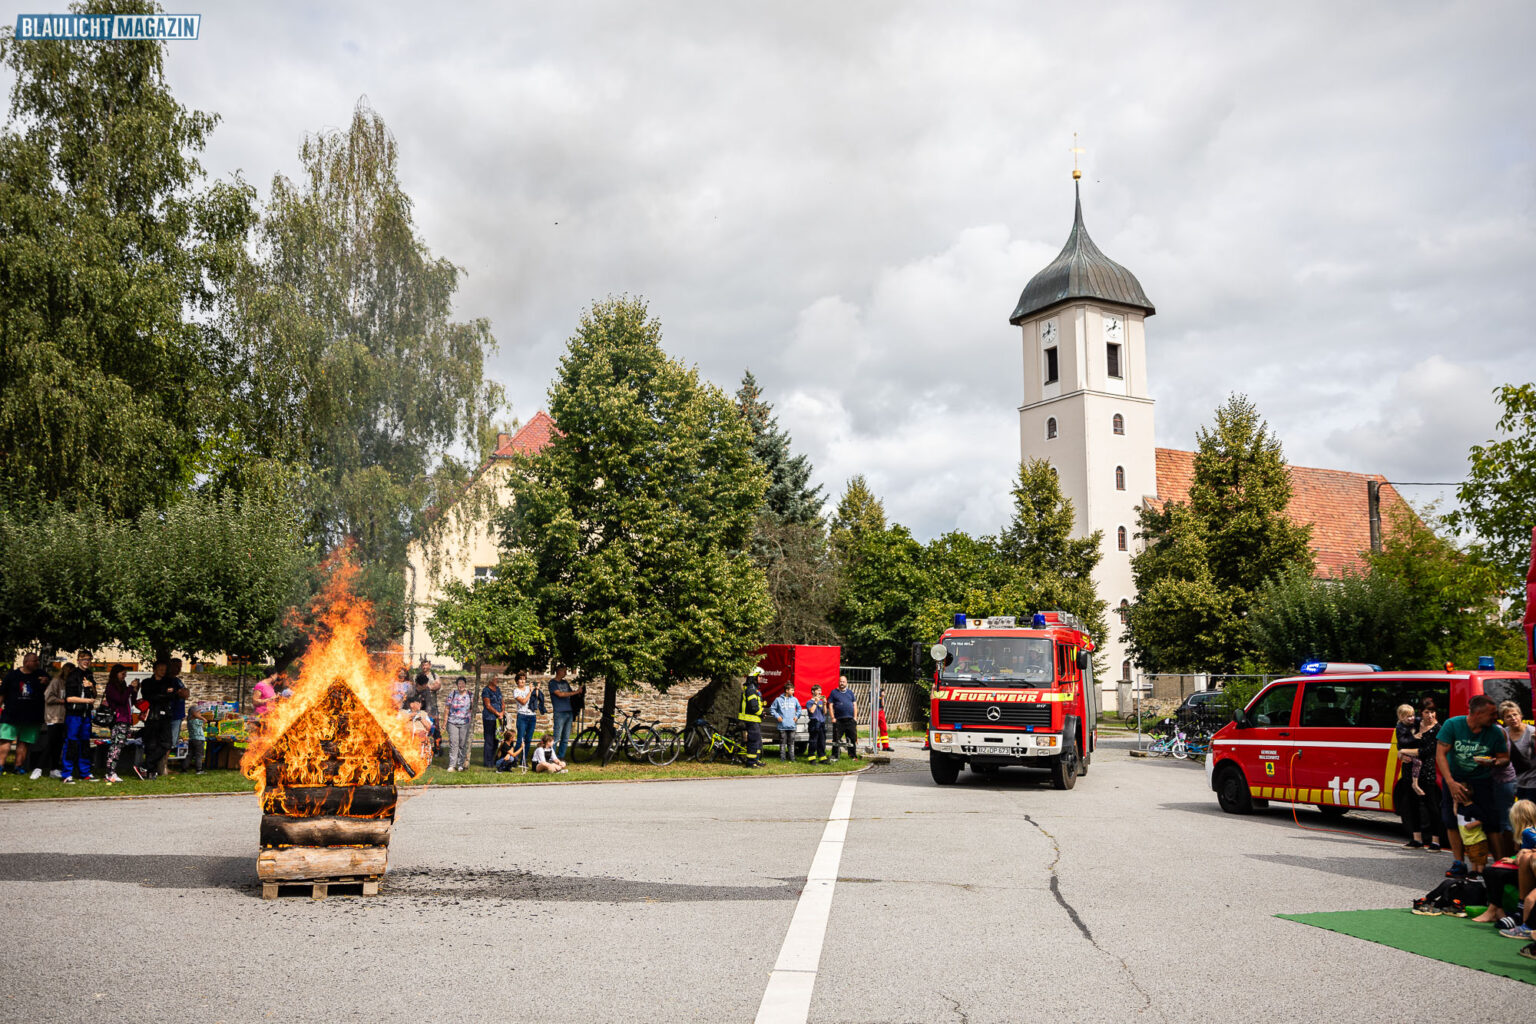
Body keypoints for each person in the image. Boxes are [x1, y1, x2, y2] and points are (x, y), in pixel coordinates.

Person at [1435, 694, 1511, 876]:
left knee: (1491, 822)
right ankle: (1458, 862)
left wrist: (1494, 762)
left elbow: (1505, 758)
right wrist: (1450, 782)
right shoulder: (1453, 725)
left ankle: (1500, 866)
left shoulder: (1494, 731)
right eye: (1492, 714)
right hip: (1455, 779)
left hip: (1482, 780)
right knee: (1452, 821)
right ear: (1477, 713)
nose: (1496, 718)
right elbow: (1440, 754)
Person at [0, 652, 45, 777]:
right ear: (26, 662)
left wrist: (46, 682)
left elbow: (49, 689)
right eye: (35, 661)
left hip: (32, 716)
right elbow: (2, 693)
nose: (37, 663)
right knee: (5, 741)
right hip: (11, 715)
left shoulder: (41, 675)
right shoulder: (12, 676)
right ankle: (0, 765)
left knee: (24, 742)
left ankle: (18, 767)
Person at [1395, 704, 1432, 848]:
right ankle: (1417, 838)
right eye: (1407, 717)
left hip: (1420, 757)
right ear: (1400, 717)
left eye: (1412, 715)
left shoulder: (1418, 721)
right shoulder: (1400, 727)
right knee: (1411, 800)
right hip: (1410, 755)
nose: (1411, 718)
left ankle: (1428, 837)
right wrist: (1413, 736)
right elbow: (1402, 742)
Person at [136, 660, 177, 780]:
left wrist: (163, 694)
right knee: (151, 744)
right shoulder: (147, 682)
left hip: (165, 716)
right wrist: (164, 692)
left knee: (167, 743)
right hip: (152, 716)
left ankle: (145, 766)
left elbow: (173, 696)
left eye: (164, 669)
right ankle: (150, 771)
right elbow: (149, 696)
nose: (163, 671)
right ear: (154, 669)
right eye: (160, 669)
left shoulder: (169, 681)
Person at [60, 658, 97, 783]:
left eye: (89, 659)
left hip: (86, 715)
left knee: (85, 743)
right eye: (84, 659)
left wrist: (92, 686)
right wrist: (86, 701)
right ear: (78, 660)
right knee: (71, 742)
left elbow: (95, 695)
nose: (86, 662)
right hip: (74, 715)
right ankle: (66, 774)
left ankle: (85, 772)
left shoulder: (89, 674)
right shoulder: (72, 675)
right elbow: (69, 699)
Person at [102, 665, 135, 783]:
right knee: (115, 746)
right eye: (122, 674)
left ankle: (112, 771)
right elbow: (121, 699)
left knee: (119, 746)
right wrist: (130, 688)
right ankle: (109, 773)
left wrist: (133, 690)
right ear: (116, 674)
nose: (124, 676)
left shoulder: (123, 686)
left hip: (125, 719)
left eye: (125, 674)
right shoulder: (111, 687)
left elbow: (129, 701)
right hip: (118, 719)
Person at [549, 665, 582, 760]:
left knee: (566, 737)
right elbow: (560, 694)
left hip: (569, 712)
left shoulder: (565, 683)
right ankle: (552, 757)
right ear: (558, 671)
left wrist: (578, 692)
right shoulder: (552, 683)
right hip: (560, 712)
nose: (566, 673)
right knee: (556, 737)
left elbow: (571, 694)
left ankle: (561, 756)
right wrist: (576, 692)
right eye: (564, 671)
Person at [40, 664, 67, 779]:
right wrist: (62, 700)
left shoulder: (66, 683)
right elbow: (48, 697)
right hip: (53, 716)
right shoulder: (56, 682)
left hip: (62, 717)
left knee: (58, 744)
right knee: (51, 743)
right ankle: (39, 767)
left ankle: (54, 769)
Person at [413, 660, 442, 756]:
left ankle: (437, 748)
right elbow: (415, 688)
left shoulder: (434, 675)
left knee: (435, 728)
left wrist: (426, 687)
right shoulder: (417, 676)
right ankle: (422, 749)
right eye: (423, 665)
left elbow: (437, 685)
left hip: (432, 706)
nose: (424, 666)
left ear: (430, 665)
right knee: (422, 728)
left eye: (426, 664)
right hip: (421, 707)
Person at [444, 677, 473, 772]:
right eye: (459, 683)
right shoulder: (452, 694)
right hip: (452, 722)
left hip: (465, 723)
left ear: (465, 684)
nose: (461, 685)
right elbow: (447, 709)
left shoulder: (470, 695)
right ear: (457, 685)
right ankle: (452, 765)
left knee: (462, 744)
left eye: (463, 683)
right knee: (454, 744)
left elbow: (473, 708)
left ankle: (461, 764)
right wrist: (444, 723)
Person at [511, 671, 538, 769]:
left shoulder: (528, 688)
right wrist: (530, 692)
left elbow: (536, 697)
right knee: (520, 739)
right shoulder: (516, 691)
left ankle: (524, 760)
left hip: (532, 716)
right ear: (517, 681)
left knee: (528, 739)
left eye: (524, 679)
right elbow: (523, 702)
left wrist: (536, 688)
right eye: (520, 679)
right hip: (522, 716)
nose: (522, 681)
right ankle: (514, 759)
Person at [829, 675, 859, 761]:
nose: (842, 683)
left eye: (843, 682)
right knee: (836, 739)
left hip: (850, 720)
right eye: (840, 681)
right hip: (839, 720)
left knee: (852, 739)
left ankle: (853, 756)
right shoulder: (834, 692)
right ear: (838, 682)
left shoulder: (850, 692)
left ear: (846, 683)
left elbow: (855, 705)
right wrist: (832, 717)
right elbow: (830, 705)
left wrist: (855, 717)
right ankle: (835, 755)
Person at [739, 670, 764, 768]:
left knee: (757, 741)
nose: (761, 678)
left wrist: (761, 714)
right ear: (754, 677)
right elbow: (753, 706)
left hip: (755, 719)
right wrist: (761, 713)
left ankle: (756, 760)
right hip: (751, 719)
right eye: (759, 676)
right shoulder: (751, 689)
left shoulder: (754, 688)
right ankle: (750, 763)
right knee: (753, 740)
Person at [770, 684, 801, 761]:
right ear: (787, 690)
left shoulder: (795, 700)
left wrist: (797, 716)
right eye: (792, 690)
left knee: (791, 743)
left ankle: (792, 758)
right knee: (782, 743)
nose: (793, 692)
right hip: (782, 725)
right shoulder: (778, 700)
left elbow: (799, 709)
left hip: (792, 725)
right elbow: (772, 709)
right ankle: (782, 758)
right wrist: (777, 716)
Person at [481, 675, 504, 768]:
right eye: (495, 678)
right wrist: (497, 713)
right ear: (490, 680)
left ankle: (493, 759)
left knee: (497, 739)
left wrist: (502, 712)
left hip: (499, 718)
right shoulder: (486, 690)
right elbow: (488, 705)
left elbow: (502, 702)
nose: (496, 680)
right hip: (489, 718)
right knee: (489, 740)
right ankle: (487, 761)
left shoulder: (498, 689)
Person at [805, 685, 829, 764]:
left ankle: (822, 758)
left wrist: (825, 704)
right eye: (818, 690)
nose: (820, 692)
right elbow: (811, 711)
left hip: (821, 723)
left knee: (822, 742)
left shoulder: (821, 702)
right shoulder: (809, 702)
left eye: (820, 691)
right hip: (814, 723)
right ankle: (812, 759)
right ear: (813, 691)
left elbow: (825, 713)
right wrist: (815, 702)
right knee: (813, 742)